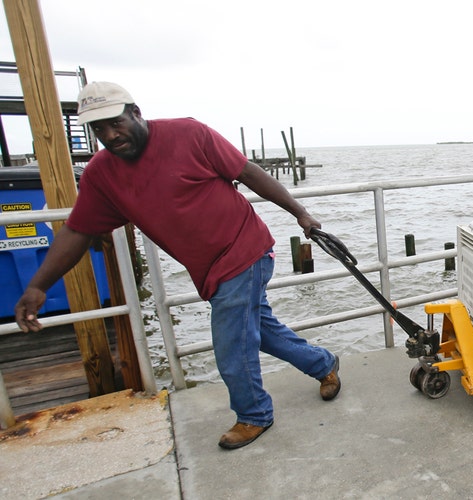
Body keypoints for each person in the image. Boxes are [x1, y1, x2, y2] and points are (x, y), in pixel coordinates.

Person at [14, 82, 341, 449]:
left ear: (135, 113)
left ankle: (254, 414)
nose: (110, 135)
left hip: (244, 249)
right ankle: (323, 364)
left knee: (232, 343)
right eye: (98, 129)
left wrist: (301, 213)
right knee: (260, 330)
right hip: (208, 268)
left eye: (115, 122)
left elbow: (248, 172)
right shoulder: (101, 173)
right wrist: (38, 285)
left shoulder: (189, 134)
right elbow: (77, 231)